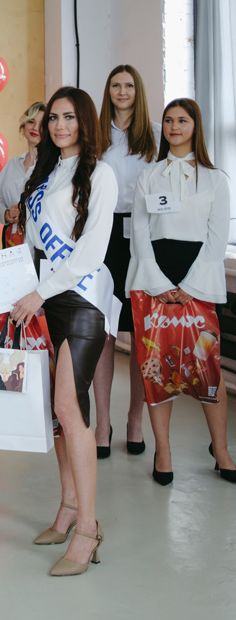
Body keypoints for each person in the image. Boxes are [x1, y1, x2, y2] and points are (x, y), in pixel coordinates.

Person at [12, 86, 118, 576]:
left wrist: (40, 291)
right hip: (46, 299)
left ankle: (89, 529)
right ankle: (68, 508)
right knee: (60, 414)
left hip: (81, 300)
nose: (59, 125)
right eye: (53, 117)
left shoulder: (101, 174)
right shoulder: (48, 171)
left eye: (69, 117)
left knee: (68, 409)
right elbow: (35, 243)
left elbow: (92, 251)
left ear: (85, 121)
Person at [126, 97, 236, 485]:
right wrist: (158, 282)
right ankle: (163, 450)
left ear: (195, 126)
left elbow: (217, 237)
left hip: (198, 284)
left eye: (183, 120)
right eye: (169, 120)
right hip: (154, 280)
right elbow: (139, 231)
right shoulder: (148, 176)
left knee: (208, 368)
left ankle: (221, 450)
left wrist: (189, 286)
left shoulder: (216, 179)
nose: (174, 126)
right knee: (157, 370)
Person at [94, 65, 160, 458]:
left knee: (138, 333)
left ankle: (135, 419)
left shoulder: (154, 134)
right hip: (103, 237)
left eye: (129, 85)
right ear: (108, 91)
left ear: (138, 91)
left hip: (142, 236)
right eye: (116, 85)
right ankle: (103, 423)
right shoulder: (95, 133)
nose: (122, 91)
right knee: (103, 330)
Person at [0, 101, 45, 248]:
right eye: (31, 121)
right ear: (24, 125)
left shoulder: (52, 167)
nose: (35, 128)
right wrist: (6, 213)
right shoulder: (12, 165)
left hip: (41, 244)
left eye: (41, 124)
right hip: (12, 242)